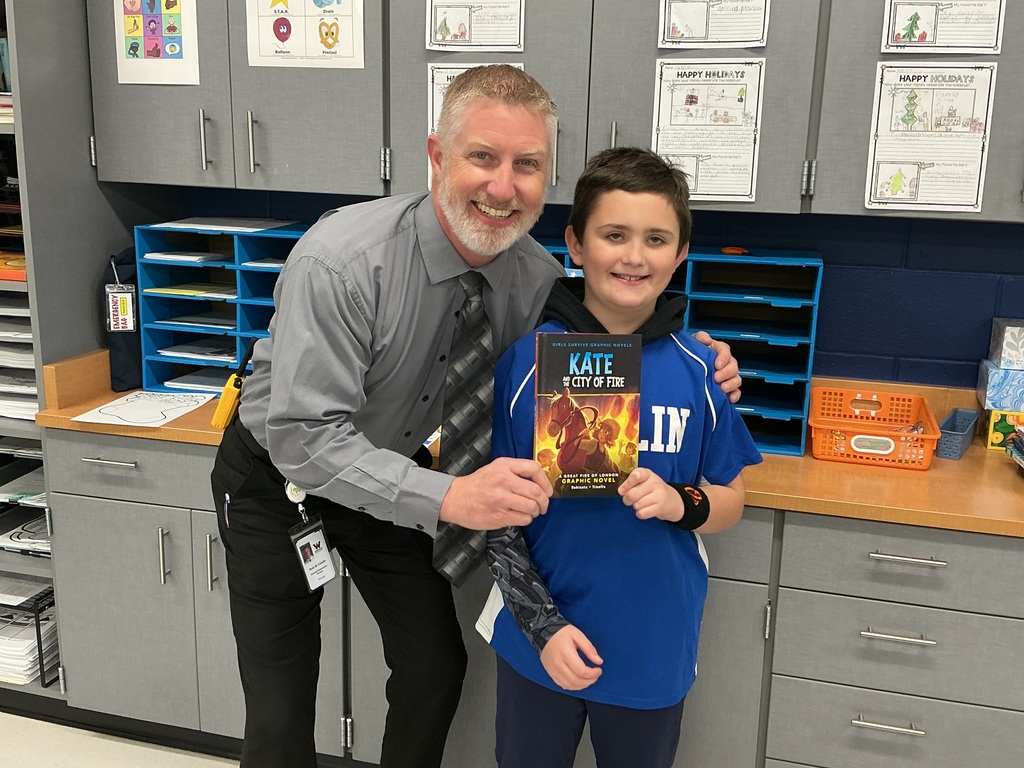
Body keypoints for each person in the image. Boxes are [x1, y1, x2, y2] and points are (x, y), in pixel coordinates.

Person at [210, 66, 741, 768]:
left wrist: (699, 350)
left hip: (395, 477)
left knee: (432, 670)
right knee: (280, 703)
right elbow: (305, 439)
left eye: (528, 165)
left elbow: (612, 329)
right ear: (437, 156)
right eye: (482, 157)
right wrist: (454, 496)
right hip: (280, 482)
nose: (503, 186)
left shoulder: (536, 279)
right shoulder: (340, 263)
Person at [481, 146, 763, 768]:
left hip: (652, 644)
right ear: (576, 245)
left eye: (657, 239)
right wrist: (542, 628)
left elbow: (732, 501)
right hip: (541, 639)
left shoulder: (701, 372)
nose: (634, 256)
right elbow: (495, 513)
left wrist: (678, 502)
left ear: (681, 254)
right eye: (614, 235)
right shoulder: (528, 364)